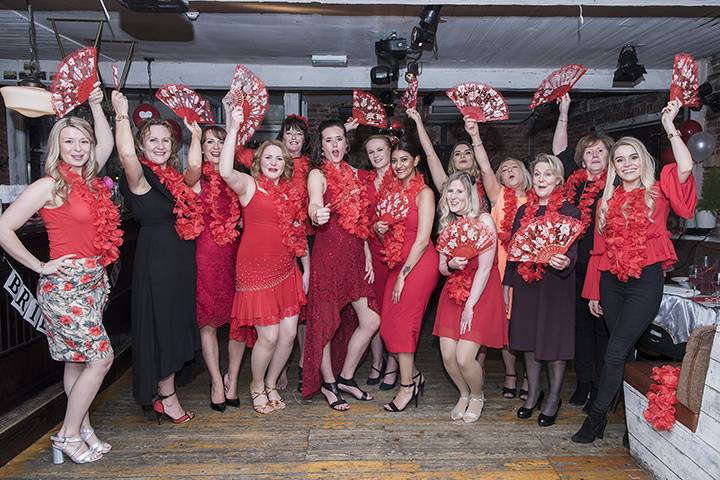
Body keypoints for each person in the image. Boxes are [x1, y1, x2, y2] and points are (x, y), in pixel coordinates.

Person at [0, 84, 119, 463]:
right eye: (70, 141)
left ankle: (82, 428)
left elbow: (107, 144)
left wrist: (98, 107)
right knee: (101, 358)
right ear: (58, 146)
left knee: (77, 360)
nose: (79, 148)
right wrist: (39, 265)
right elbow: (3, 228)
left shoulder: (89, 180)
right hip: (64, 287)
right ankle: (67, 435)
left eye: (83, 141)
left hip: (93, 283)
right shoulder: (49, 185)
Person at [572, 100, 696, 443]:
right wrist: (594, 291)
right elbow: (599, 250)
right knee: (624, 352)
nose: (626, 164)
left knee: (614, 349)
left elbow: (685, 165)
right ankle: (631, 426)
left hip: (646, 281)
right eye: (620, 159)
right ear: (613, 166)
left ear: (643, 160)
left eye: (632, 157)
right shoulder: (606, 201)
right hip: (612, 282)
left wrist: (670, 124)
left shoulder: (659, 190)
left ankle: (595, 419)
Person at [112, 91, 200, 424]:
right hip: (157, 262)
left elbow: (194, 168)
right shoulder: (141, 178)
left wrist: (197, 135)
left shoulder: (173, 180)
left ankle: (167, 390)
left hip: (179, 262)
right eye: (153, 140)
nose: (161, 145)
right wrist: (121, 113)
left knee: (176, 323)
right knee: (162, 324)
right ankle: (167, 396)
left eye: (166, 140)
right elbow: (123, 153)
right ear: (142, 144)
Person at [220, 107, 309, 414]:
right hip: (255, 270)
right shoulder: (249, 186)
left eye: (279, 158)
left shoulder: (289, 194)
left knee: (287, 337)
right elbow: (225, 172)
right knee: (268, 336)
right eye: (268, 157)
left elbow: (296, 234)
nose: (273, 162)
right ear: (259, 161)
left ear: (286, 165)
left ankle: (271, 383)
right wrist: (233, 128)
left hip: (286, 269)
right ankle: (256, 384)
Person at [302, 119, 380, 411]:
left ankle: (346, 376)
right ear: (321, 146)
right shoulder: (317, 174)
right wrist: (315, 214)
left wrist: (368, 256)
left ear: (346, 144)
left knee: (371, 320)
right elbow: (313, 202)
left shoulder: (354, 175)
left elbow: (360, 223)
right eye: (328, 140)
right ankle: (328, 382)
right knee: (325, 323)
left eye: (339, 140)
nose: (334, 145)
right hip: (328, 259)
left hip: (355, 258)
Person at [504, 154, 580, 427]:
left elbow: (573, 251)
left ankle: (553, 398)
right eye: (537, 174)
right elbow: (514, 252)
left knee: (553, 342)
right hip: (526, 284)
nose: (542, 179)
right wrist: (506, 286)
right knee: (527, 340)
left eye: (548, 174)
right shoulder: (524, 212)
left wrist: (565, 260)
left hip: (556, 284)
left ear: (558, 179)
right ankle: (533, 393)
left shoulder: (571, 211)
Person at [464, 116, 532, 400]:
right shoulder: (497, 195)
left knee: (524, 321)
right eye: (505, 169)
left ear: (525, 174)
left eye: (515, 167)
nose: (509, 170)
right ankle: (510, 373)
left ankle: (530, 376)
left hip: (528, 268)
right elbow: (484, 166)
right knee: (505, 322)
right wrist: (476, 136)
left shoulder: (537, 198)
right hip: (500, 266)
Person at [552, 93, 614, 408]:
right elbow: (559, 153)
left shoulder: (616, 186)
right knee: (579, 326)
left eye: (601, 150)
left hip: (604, 264)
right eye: (589, 151)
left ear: (610, 157)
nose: (594, 155)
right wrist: (563, 111)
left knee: (602, 326)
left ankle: (602, 390)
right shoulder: (571, 183)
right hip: (573, 263)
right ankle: (584, 383)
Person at [182, 123, 248, 412]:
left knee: (238, 321)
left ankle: (232, 377)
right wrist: (195, 135)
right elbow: (194, 164)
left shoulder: (238, 179)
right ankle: (215, 382)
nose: (216, 147)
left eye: (220, 142)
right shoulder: (195, 178)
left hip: (237, 254)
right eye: (210, 142)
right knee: (208, 322)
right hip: (205, 257)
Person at [433, 171, 507, 423]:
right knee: (447, 355)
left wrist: (470, 307)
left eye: (459, 191)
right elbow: (441, 268)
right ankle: (463, 394)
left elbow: (486, 268)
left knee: (465, 357)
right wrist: (451, 263)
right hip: (454, 290)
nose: (453, 197)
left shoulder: (484, 220)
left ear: (470, 194)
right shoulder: (448, 223)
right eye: (450, 192)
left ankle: (477, 395)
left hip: (481, 291)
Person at [376, 139, 439, 412]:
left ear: (416, 161)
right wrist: (380, 229)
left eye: (404, 159)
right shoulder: (392, 193)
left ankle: (406, 388)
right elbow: (390, 235)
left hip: (420, 264)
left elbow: (423, 239)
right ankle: (414, 376)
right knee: (388, 327)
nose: (399, 165)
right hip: (397, 264)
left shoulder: (424, 193)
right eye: (395, 160)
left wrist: (403, 274)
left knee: (403, 326)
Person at [358, 134, 398, 389]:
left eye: (380, 150)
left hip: (398, 252)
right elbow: (360, 221)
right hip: (373, 251)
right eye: (371, 152)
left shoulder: (404, 176)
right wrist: (374, 228)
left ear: (390, 149)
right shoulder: (364, 180)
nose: (376, 155)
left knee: (394, 312)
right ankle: (376, 361)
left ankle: (393, 364)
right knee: (374, 310)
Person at [406, 107, 487, 205]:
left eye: (467, 152)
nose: (462, 156)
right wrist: (418, 121)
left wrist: (475, 136)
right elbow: (430, 153)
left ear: (474, 159)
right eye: (457, 154)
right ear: (453, 161)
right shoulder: (446, 184)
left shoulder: (486, 183)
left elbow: (485, 166)